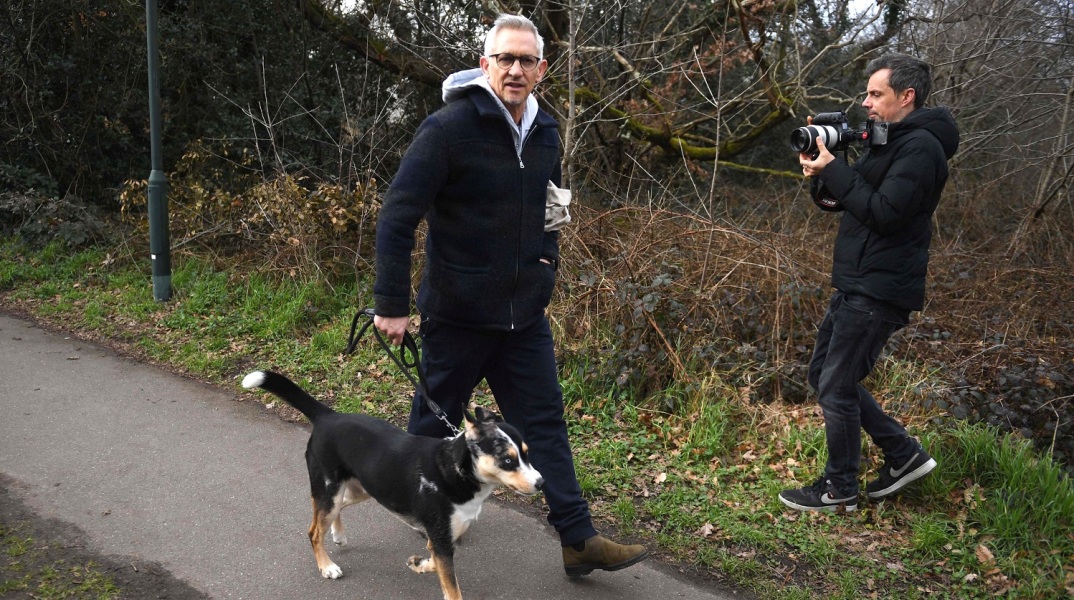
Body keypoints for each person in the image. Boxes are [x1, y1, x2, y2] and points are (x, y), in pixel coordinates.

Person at [372, 13, 649, 574]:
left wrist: (547, 264)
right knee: (431, 430)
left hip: (525, 317)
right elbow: (399, 215)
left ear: (542, 69)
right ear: (485, 64)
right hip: (458, 314)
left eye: (526, 60)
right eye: (505, 59)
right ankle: (428, 514)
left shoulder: (546, 130)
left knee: (545, 425)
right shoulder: (448, 129)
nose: (515, 69)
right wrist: (391, 304)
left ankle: (578, 539)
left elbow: (553, 208)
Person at [780, 54, 960, 513]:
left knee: (836, 385)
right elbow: (848, 200)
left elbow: (885, 213)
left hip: (880, 287)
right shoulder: (888, 142)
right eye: (867, 94)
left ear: (907, 96)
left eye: (875, 94)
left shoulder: (921, 149)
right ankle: (903, 454)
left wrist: (835, 172)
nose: (866, 103)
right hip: (859, 280)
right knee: (824, 375)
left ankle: (839, 489)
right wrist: (822, 168)